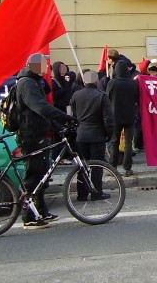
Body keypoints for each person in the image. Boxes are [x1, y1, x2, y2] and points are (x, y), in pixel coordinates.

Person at [16, 53, 78, 229]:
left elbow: (42, 113)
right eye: (44, 64)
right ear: (35, 66)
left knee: (43, 174)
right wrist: (66, 117)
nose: (47, 67)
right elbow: (41, 108)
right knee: (34, 173)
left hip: (39, 132)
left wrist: (58, 126)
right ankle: (28, 216)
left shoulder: (35, 82)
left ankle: (41, 210)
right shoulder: (27, 83)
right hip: (31, 135)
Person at [70, 70, 114, 200]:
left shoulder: (76, 95)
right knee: (97, 166)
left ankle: (82, 193)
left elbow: (74, 114)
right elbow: (108, 118)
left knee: (82, 165)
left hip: (81, 135)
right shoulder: (101, 96)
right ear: (97, 81)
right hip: (97, 135)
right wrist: (108, 134)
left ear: (84, 81)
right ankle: (96, 192)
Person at [106, 60, 139, 177]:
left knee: (114, 142)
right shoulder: (133, 83)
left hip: (115, 117)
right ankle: (127, 168)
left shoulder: (112, 83)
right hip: (130, 116)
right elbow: (137, 98)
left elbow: (107, 98)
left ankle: (113, 167)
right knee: (128, 144)